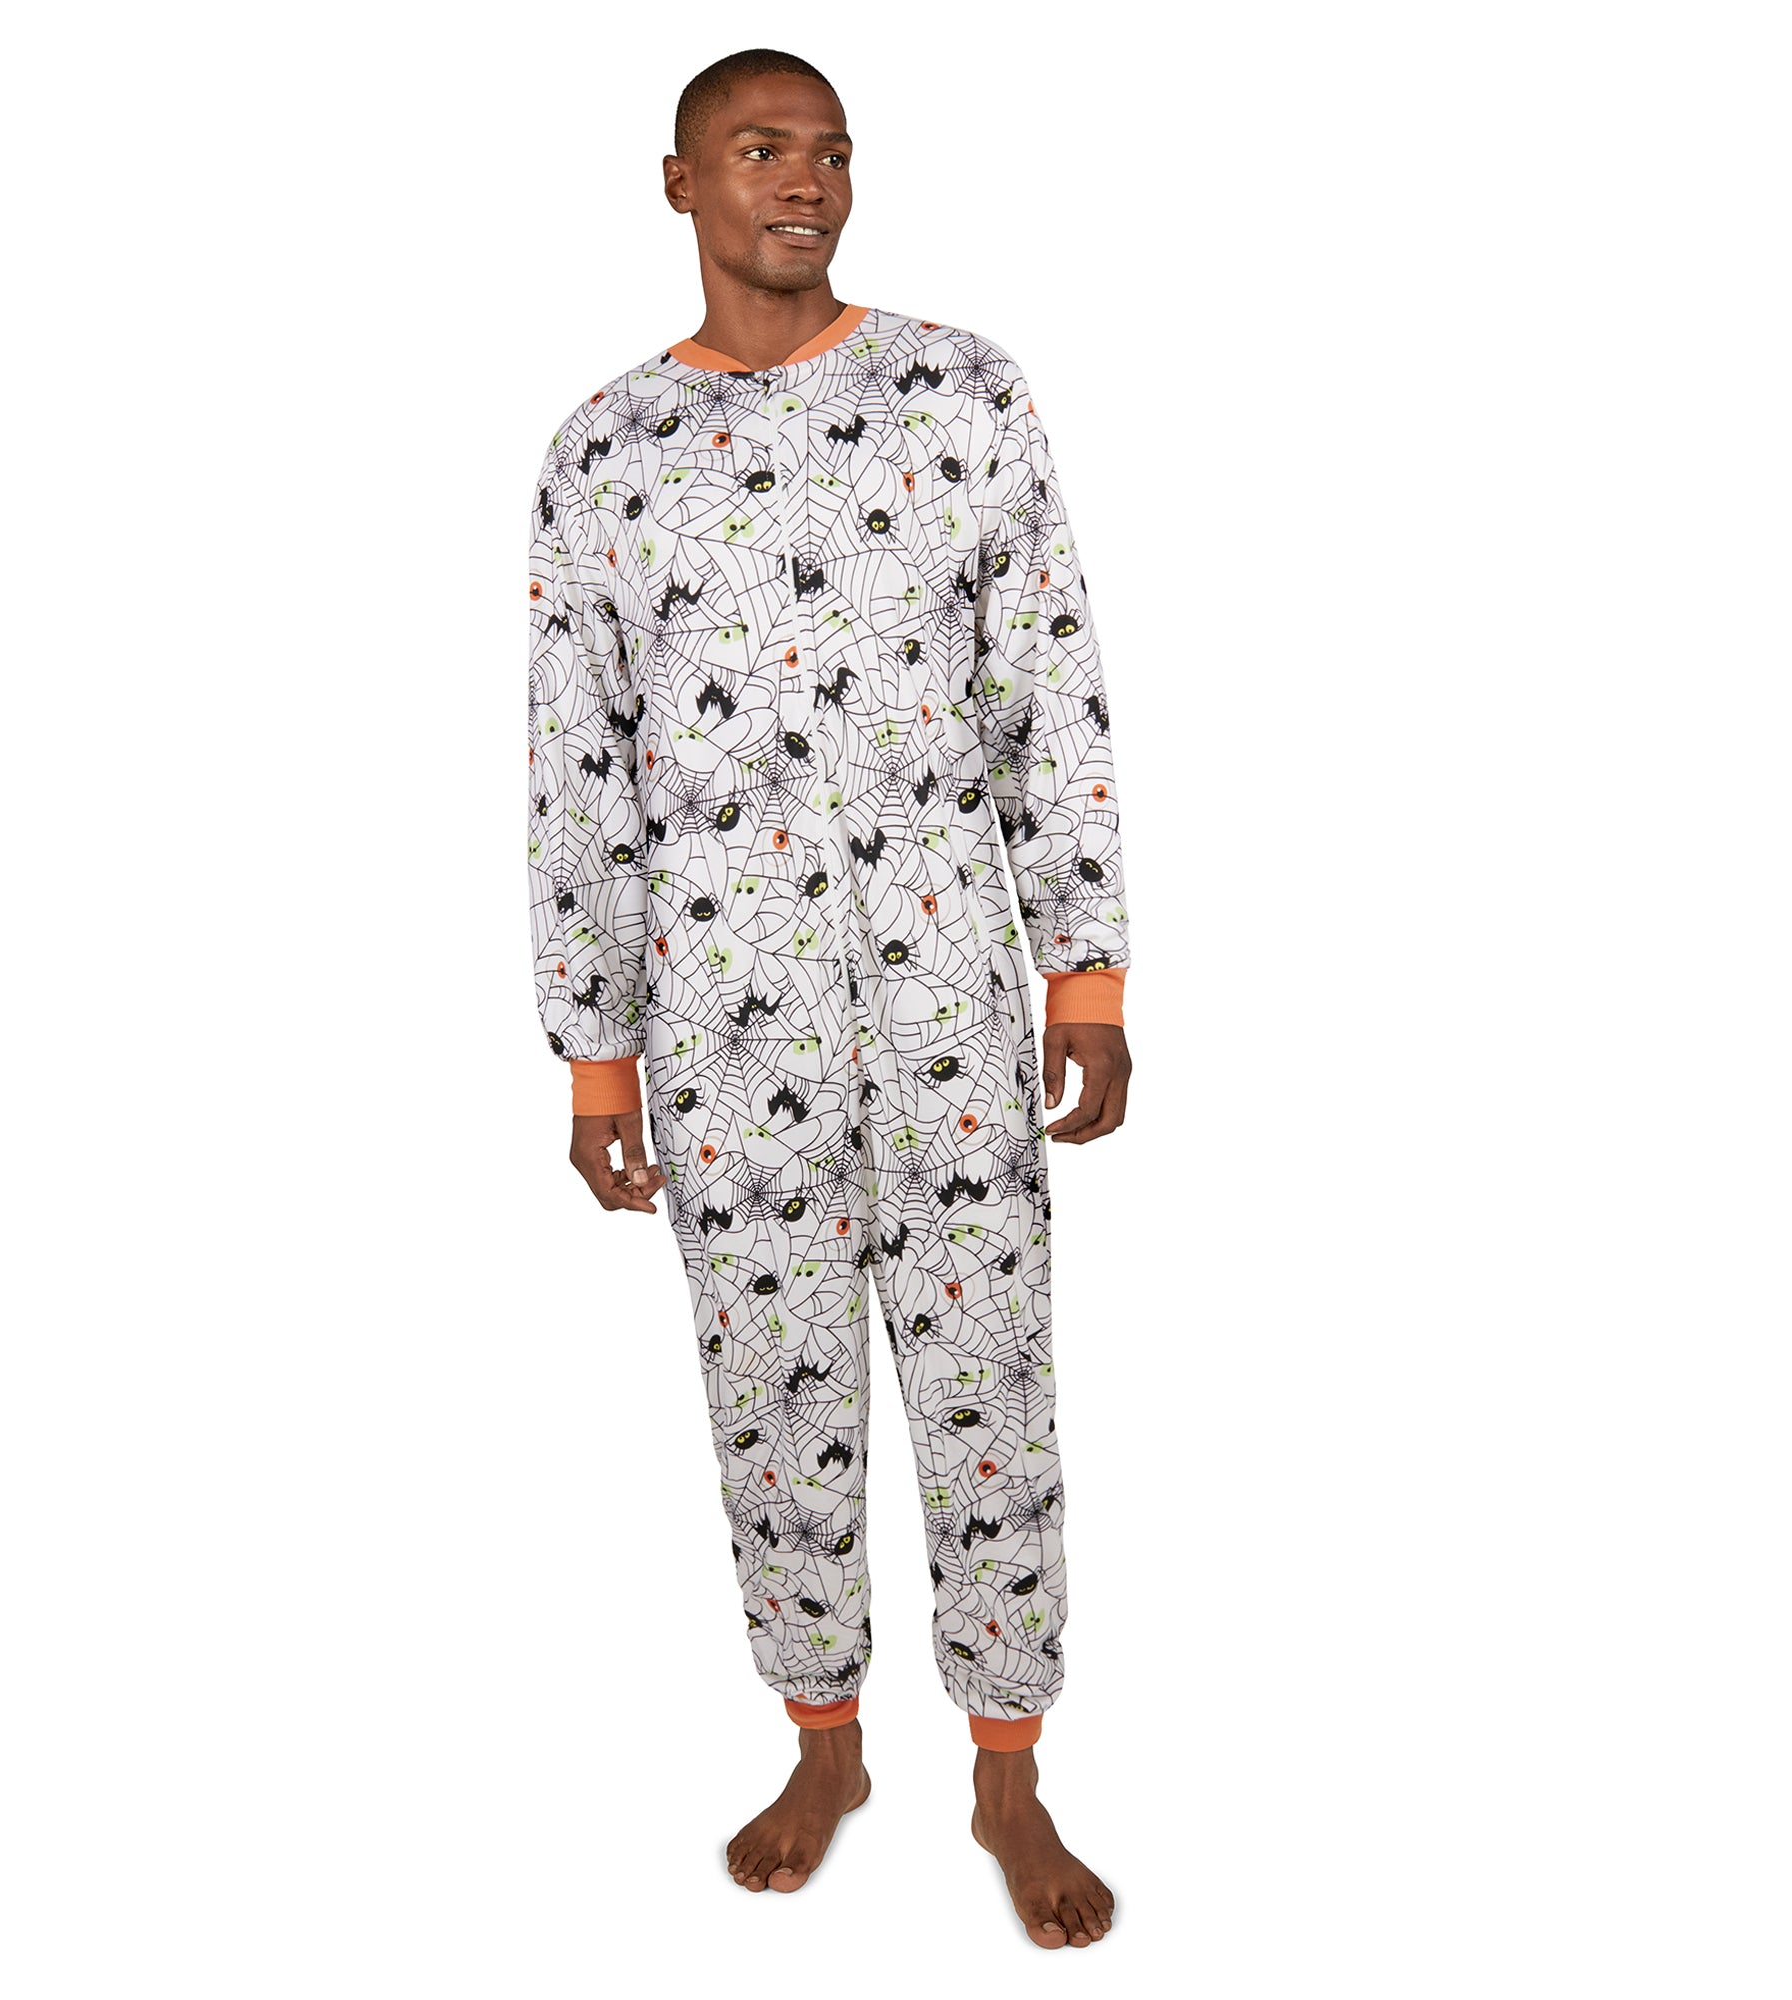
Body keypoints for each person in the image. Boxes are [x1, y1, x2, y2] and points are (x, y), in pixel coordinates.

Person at [525, 47, 1131, 1950]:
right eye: (762, 149)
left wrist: (1088, 972)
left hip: (951, 996)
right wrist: (596, 1057)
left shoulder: (962, 393)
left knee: (989, 1380)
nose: (807, 182)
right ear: (682, 184)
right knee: (771, 1391)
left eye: (833, 153)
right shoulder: (605, 453)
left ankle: (1009, 1771)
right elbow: (578, 766)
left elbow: (1049, 688)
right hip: (725, 1022)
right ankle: (824, 1743)